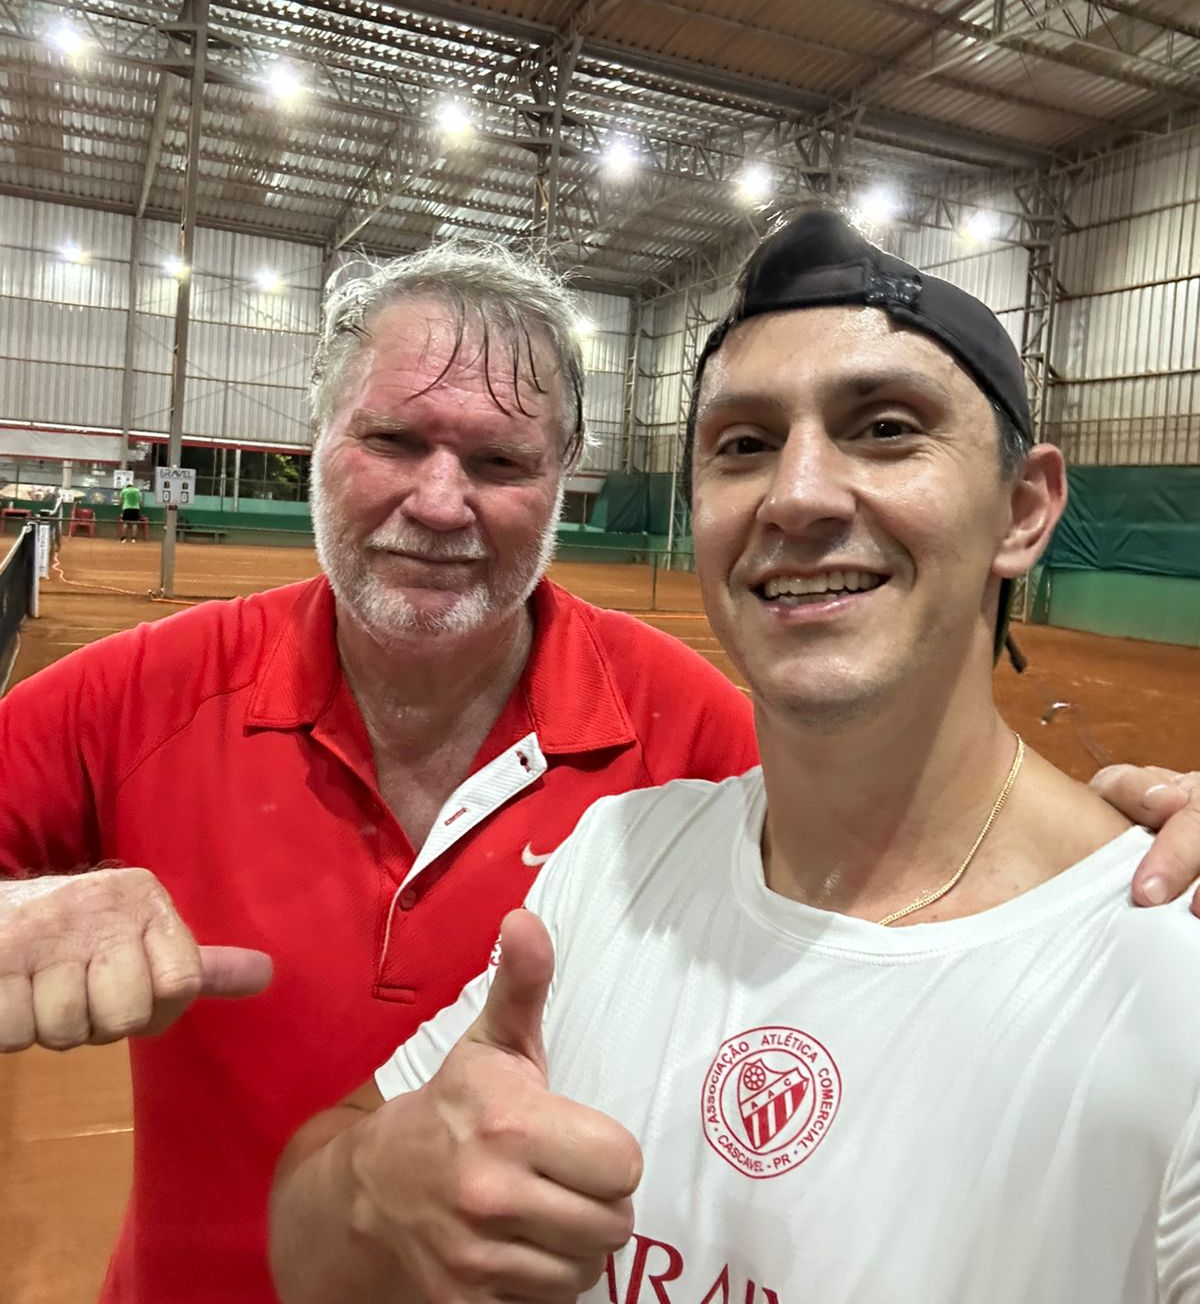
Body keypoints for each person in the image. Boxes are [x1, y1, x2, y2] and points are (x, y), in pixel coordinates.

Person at [270, 212, 1200, 1304]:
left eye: (885, 428)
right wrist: (378, 1189)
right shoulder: (617, 862)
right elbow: (310, 1238)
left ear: (1024, 509)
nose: (796, 494)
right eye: (744, 445)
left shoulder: (1171, 977)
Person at [0, 243, 759, 1304]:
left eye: (501, 462)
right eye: (393, 440)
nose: (440, 502)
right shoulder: (142, 696)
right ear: (318, 434)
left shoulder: (694, 731)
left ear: (564, 474)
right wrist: (18, 913)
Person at [117, 477, 143, 542]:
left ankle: (123, 538)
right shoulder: (137, 490)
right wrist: (138, 506)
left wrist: (120, 505)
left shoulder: (124, 490)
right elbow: (140, 501)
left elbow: (120, 500)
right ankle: (133, 538)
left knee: (125, 523)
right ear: (132, 485)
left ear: (127, 485)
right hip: (136, 508)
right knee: (134, 523)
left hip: (126, 508)